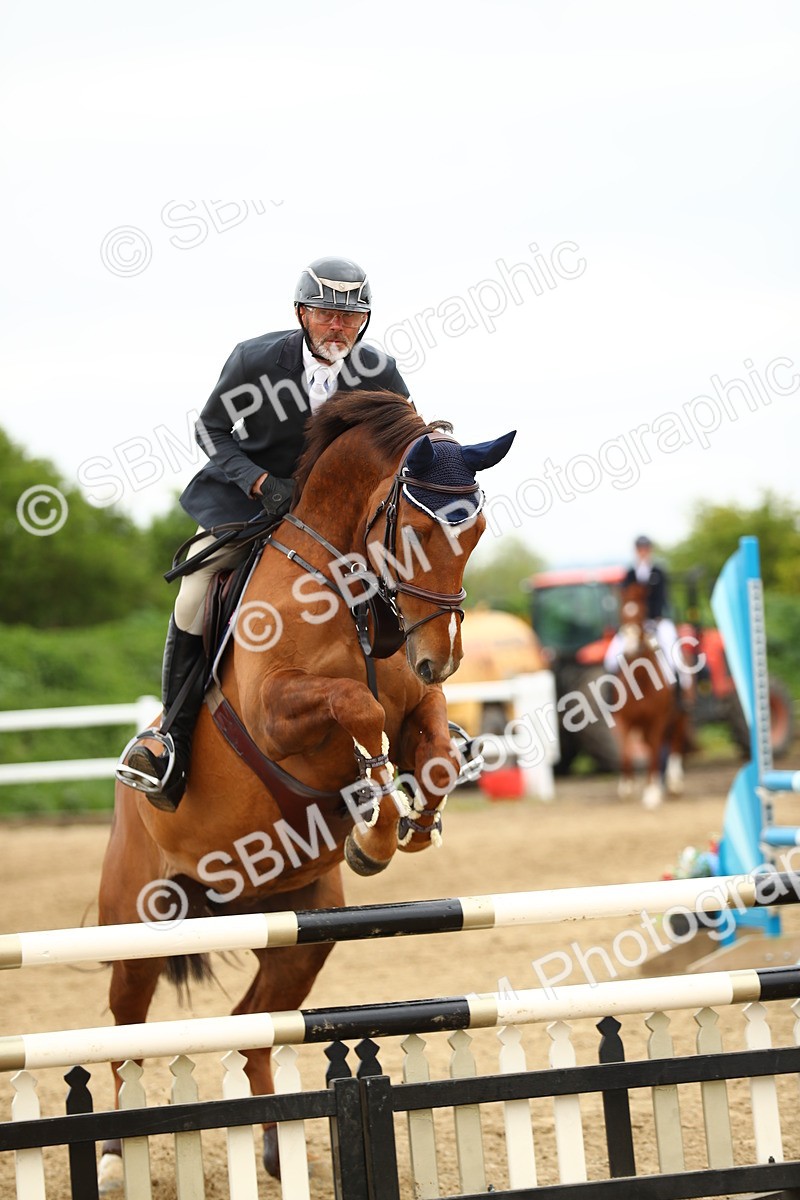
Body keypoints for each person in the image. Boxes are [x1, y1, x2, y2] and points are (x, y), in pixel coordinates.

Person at [117, 256, 410, 812]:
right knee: (194, 593)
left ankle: (422, 712)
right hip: (249, 502)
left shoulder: (379, 370)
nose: (337, 327)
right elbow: (211, 427)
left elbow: (405, 442)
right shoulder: (255, 359)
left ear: (365, 321)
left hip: (333, 520)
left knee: (406, 578)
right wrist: (256, 481)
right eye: (325, 313)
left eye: (351, 317)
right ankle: (171, 739)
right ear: (301, 313)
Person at [604, 535, 695, 698]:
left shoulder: (658, 573)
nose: (643, 552)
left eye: (645, 549)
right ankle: (612, 695)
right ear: (636, 551)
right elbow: (626, 600)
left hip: (656, 620)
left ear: (649, 550)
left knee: (672, 652)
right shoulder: (630, 574)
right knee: (611, 656)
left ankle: (681, 691)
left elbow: (662, 598)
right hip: (634, 624)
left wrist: (654, 619)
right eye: (640, 549)